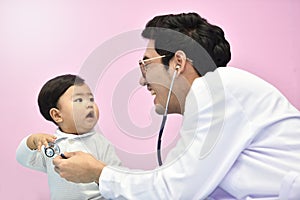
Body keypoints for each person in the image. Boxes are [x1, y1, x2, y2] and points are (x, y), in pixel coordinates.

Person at [52, 13, 300, 199]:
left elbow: (175, 191)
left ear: (178, 62)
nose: (142, 79)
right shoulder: (218, 99)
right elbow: (174, 180)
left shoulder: (219, 88)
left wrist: (98, 173)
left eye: (146, 64)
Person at [16, 74, 121, 200]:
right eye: (79, 100)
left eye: (91, 99)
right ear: (57, 115)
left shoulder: (101, 143)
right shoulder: (52, 145)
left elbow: (116, 178)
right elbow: (23, 158)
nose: (89, 105)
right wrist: (32, 141)